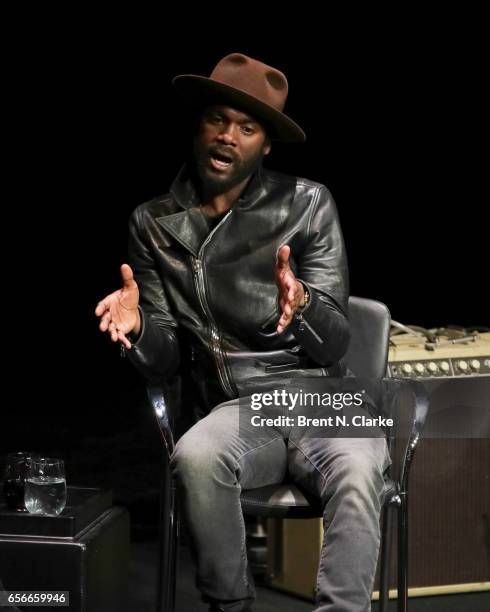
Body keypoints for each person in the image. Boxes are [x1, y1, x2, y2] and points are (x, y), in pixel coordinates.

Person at [95, 53, 390, 612]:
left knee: (357, 464)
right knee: (198, 455)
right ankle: (230, 606)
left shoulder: (308, 204)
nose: (229, 136)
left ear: (266, 145)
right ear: (199, 125)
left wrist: (300, 305)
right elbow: (164, 361)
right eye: (218, 120)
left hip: (317, 397)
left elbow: (333, 343)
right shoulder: (154, 224)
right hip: (236, 407)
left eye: (248, 128)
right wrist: (137, 330)